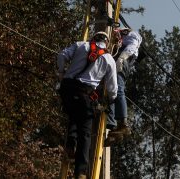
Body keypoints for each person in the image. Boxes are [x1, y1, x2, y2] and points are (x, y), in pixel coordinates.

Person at [57, 31, 117, 179]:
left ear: (93, 38)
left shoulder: (80, 45)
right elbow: (112, 88)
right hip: (85, 94)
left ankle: (70, 145)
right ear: (107, 43)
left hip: (67, 89)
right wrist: (111, 99)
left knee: (73, 114)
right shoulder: (108, 59)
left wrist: (61, 72)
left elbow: (61, 56)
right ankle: (80, 172)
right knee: (85, 132)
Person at [105, 28, 142, 146]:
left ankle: (123, 123)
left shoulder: (132, 35)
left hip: (123, 61)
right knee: (110, 90)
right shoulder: (122, 42)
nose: (116, 39)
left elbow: (132, 47)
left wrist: (121, 58)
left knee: (118, 88)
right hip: (120, 61)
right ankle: (111, 123)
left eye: (117, 36)